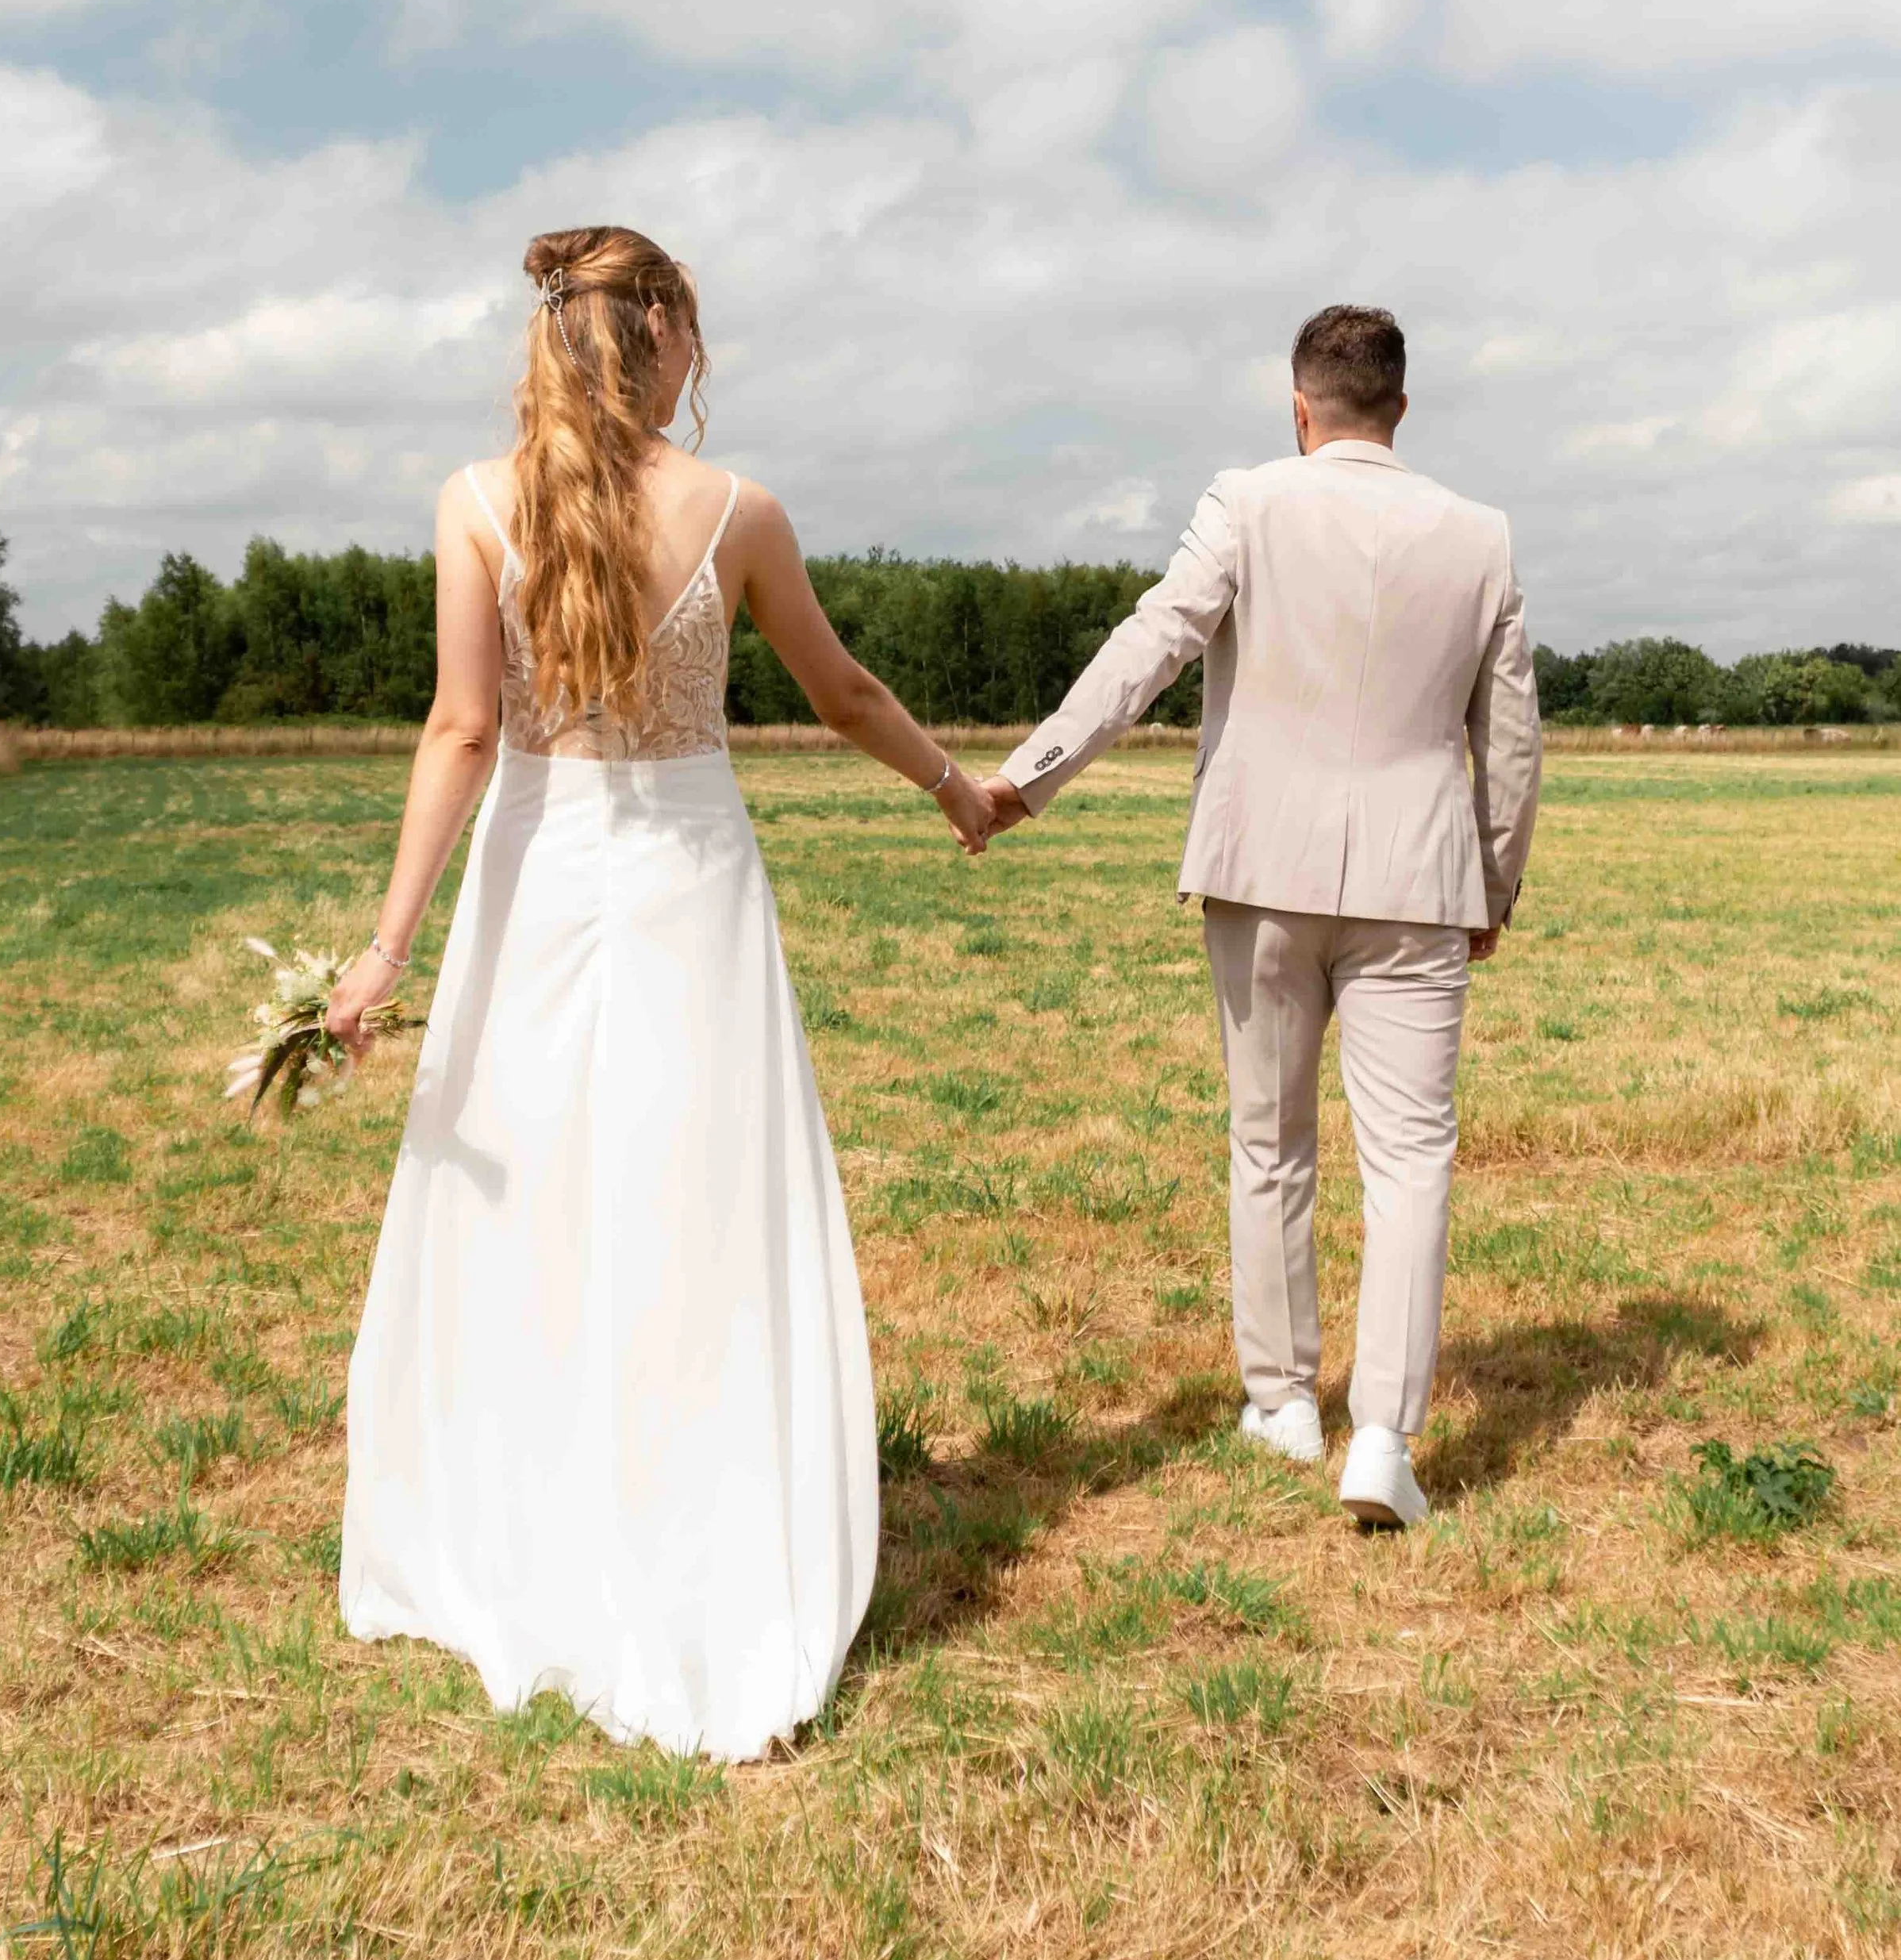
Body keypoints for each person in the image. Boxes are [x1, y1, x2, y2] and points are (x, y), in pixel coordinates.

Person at [328, 225, 994, 1758]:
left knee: (532, 1198)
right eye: (696, 330)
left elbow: (457, 730)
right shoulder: (738, 510)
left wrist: (386, 950)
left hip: (533, 877)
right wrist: (954, 785)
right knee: (693, 1194)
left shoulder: (473, 503)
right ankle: (692, 1509)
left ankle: (521, 1516)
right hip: (692, 881)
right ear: (669, 337)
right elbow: (846, 693)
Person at [980, 305, 1541, 1530]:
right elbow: (1509, 734)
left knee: (1269, 1141)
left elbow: (1153, 645)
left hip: (1260, 870)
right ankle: (1384, 1435)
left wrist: (1028, 776)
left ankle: (1282, 1399)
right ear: (1400, 405)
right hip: (1418, 881)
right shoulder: (1481, 535)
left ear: (1301, 407)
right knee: (1410, 1160)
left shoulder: (1247, 501)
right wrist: (1492, 880)